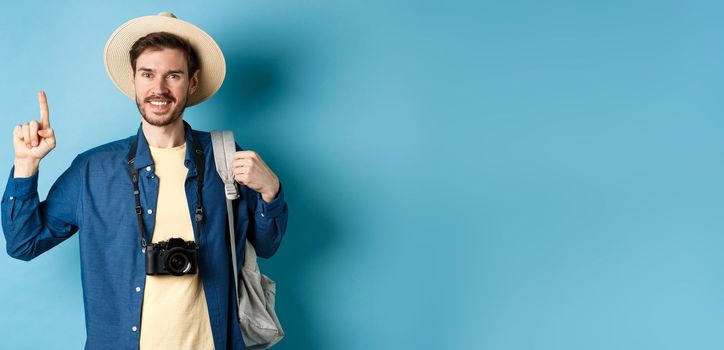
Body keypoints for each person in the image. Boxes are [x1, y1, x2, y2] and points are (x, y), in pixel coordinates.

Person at [1, 12, 288, 350]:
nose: (159, 88)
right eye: (148, 74)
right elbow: (23, 244)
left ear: (192, 82)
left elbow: (266, 247)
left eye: (174, 75)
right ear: (133, 79)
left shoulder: (224, 157)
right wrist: (25, 165)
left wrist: (271, 191)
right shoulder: (93, 170)